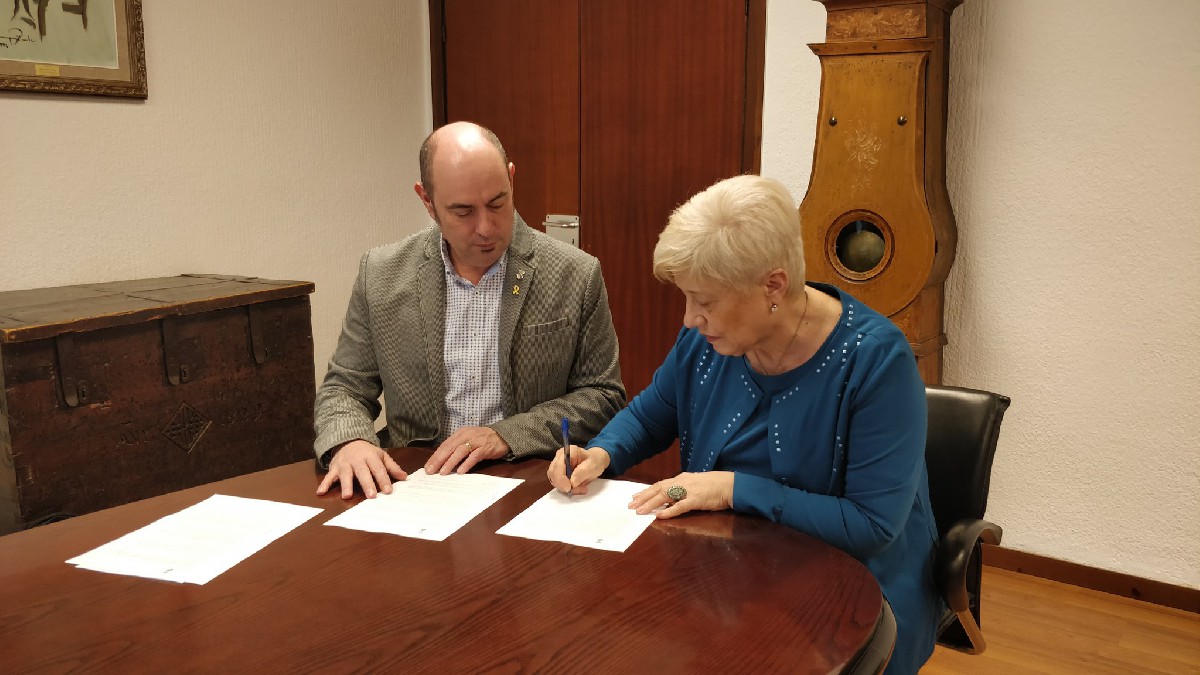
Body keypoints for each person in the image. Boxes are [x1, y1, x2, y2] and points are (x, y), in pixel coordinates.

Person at [547, 175, 940, 674]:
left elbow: (870, 526)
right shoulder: (709, 342)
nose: (690, 319)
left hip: (851, 589)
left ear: (773, 285)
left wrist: (732, 489)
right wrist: (601, 452)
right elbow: (650, 415)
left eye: (705, 301)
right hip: (729, 569)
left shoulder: (876, 362)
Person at [316, 121, 625, 499]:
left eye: (497, 203)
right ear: (427, 201)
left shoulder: (574, 273)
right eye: (463, 212)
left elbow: (602, 395)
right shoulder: (381, 274)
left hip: (530, 483)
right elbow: (344, 388)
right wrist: (350, 442)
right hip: (416, 484)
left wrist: (507, 435)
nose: (486, 228)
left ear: (511, 179)